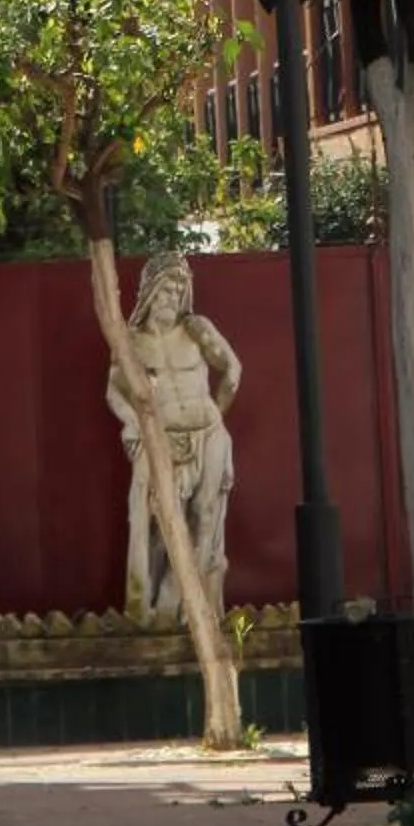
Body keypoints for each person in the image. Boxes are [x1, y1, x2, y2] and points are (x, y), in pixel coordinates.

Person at [107, 251, 241, 626]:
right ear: (149, 292)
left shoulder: (196, 329)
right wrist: (133, 424)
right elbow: (114, 392)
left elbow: (232, 369)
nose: (172, 298)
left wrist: (215, 415)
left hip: (209, 434)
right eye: (166, 290)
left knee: (205, 516)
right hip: (161, 441)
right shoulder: (132, 342)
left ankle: (186, 611)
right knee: (158, 523)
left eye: (179, 290)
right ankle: (150, 608)